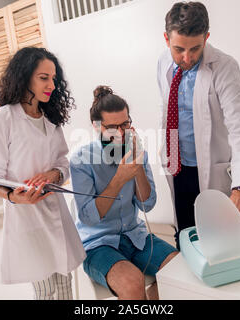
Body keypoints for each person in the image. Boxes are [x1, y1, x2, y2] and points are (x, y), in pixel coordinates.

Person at [0, 47, 85, 300]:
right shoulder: (1, 119)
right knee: (45, 290)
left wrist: (53, 175)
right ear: (25, 76)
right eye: (43, 77)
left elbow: (63, 162)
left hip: (55, 211)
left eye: (53, 78)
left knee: (64, 283)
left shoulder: (50, 118)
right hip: (26, 215)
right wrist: (16, 197)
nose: (51, 84)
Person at [157, 2, 240, 249]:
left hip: (211, 171)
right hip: (178, 168)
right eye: (178, 49)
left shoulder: (224, 66)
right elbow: (169, 112)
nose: (187, 57)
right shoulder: (162, 63)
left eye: (195, 48)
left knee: (218, 242)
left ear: (207, 38)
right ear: (166, 39)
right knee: (186, 238)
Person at [70, 86, 178, 300]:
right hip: (97, 243)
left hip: (135, 235)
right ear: (97, 127)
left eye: (125, 124)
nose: (120, 133)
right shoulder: (81, 160)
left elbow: (147, 205)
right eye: (112, 127)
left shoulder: (137, 152)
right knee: (132, 283)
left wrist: (137, 169)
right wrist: (119, 178)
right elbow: (88, 217)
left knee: (177, 271)